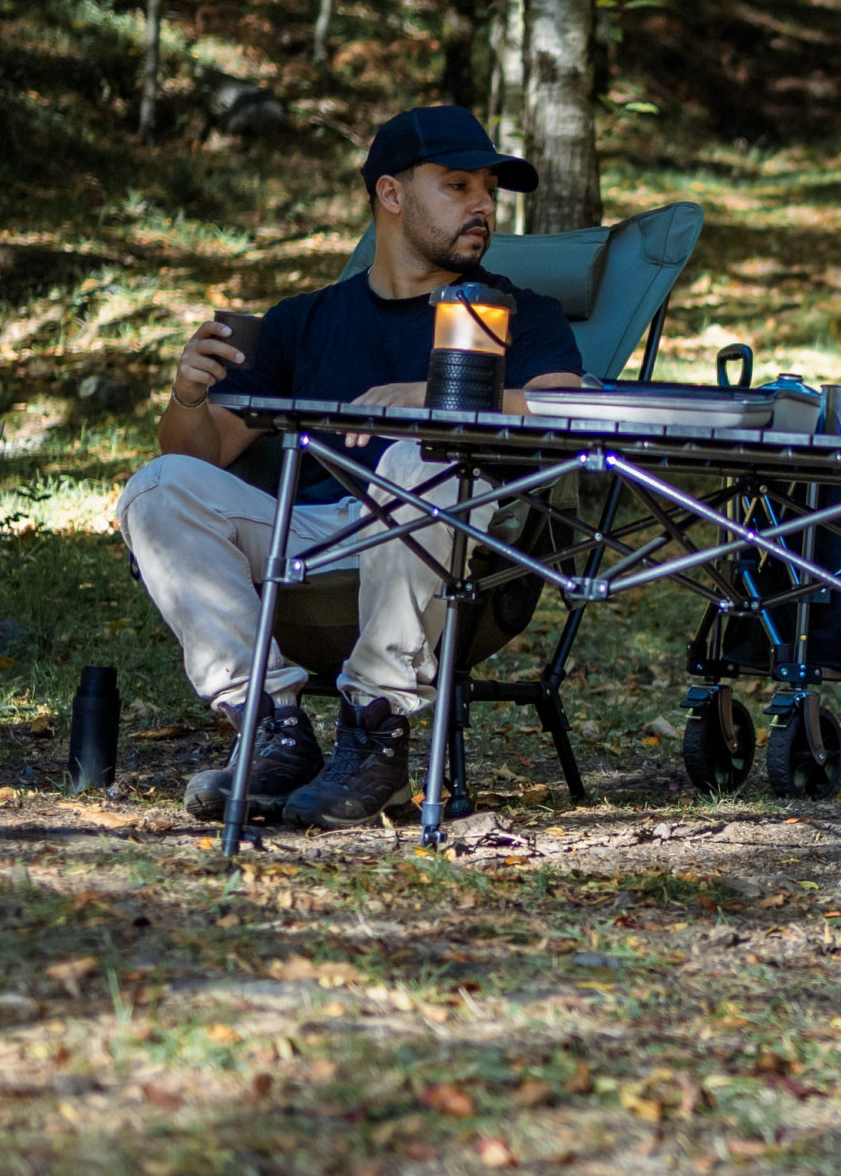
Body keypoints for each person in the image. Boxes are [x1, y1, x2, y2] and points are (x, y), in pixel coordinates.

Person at [120, 106, 588, 829]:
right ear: (391, 196)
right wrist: (185, 393)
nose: (483, 206)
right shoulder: (305, 322)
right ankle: (271, 727)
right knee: (155, 487)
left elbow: (567, 406)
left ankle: (377, 726)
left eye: (488, 190)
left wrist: (436, 400)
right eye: (457, 185)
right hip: (314, 534)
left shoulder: (515, 311)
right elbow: (199, 456)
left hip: (441, 531)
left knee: (422, 452)